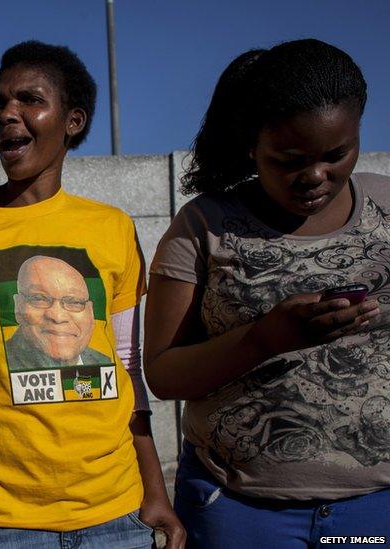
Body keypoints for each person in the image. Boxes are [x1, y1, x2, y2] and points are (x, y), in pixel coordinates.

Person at [0, 41, 184, 548]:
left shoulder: (113, 227)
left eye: (29, 99)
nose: (7, 114)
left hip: (117, 517)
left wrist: (154, 492)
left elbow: (127, 367)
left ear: (72, 121)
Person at [145, 38, 389, 548]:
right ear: (252, 144)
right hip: (239, 510)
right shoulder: (203, 225)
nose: (315, 176)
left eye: (336, 154)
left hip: (376, 509)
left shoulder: (386, 206)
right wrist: (264, 339)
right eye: (290, 159)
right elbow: (163, 373)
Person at [7, 255, 111, 371]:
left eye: (74, 302)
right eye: (39, 298)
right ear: (18, 306)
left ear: (91, 312)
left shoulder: (104, 362)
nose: (58, 317)